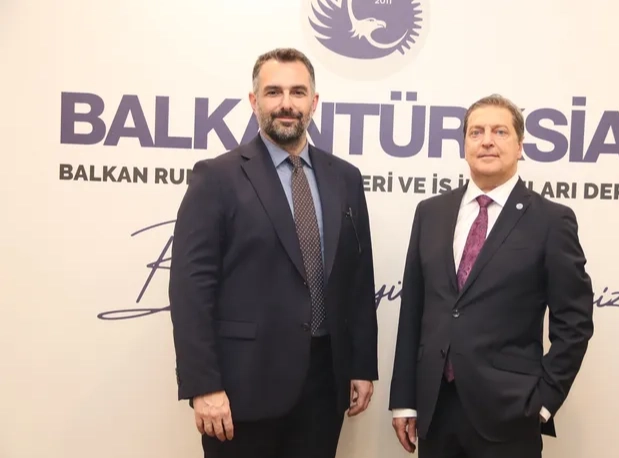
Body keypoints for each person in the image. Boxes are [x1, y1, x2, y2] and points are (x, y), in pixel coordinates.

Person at [169, 47, 378, 458]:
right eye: (273, 92)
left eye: (298, 92)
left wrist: (361, 366)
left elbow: (357, 278)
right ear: (254, 101)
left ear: (314, 102)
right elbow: (190, 289)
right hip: (241, 388)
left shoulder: (345, 178)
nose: (286, 103)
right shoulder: (218, 177)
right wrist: (203, 385)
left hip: (324, 386)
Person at [388, 94, 594, 457]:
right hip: (436, 409)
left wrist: (544, 402)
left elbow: (574, 322)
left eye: (500, 132)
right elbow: (414, 311)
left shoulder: (551, 221)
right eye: (476, 132)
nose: (487, 141)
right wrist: (405, 400)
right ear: (464, 145)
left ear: (520, 146)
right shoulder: (431, 213)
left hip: (510, 415)